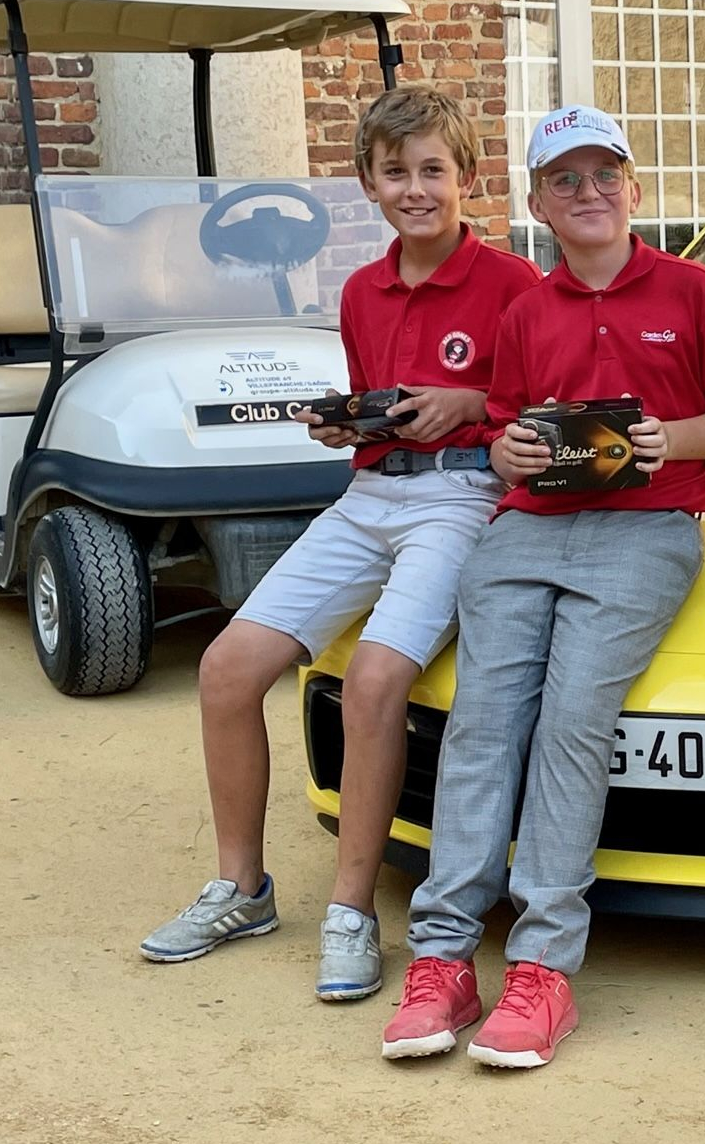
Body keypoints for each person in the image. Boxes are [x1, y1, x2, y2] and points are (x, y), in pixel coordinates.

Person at [382, 104, 705, 1069]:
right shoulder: (526, 310)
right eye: (565, 179)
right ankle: (442, 958)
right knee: (481, 725)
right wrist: (508, 451)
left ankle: (543, 967)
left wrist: (673, 439)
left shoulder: (694, 291)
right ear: (538, 203)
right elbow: (507, 424)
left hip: (646, 529)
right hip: (529, 529)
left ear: (634, 189)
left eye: (604, 175)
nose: (588, 192)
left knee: (572, 724)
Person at [139, 85, 542, 1000]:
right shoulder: (361, 291)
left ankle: (352, 909)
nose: (415, 189)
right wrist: (346, 426)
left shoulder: (514, 284)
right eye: (395, 172)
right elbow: (378, 412)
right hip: (369, 495)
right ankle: (242, 887)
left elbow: (537, 408)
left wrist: (470, 404)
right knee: (226, 670)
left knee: (372, 679)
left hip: (463, 497)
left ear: (468, 177)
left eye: (432, 170)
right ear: (367, 181)